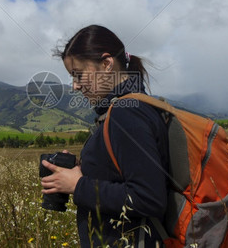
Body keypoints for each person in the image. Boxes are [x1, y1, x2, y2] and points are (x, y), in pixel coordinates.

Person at [41, 24, 169, 247]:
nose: (75, 86)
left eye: (78, 75)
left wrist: (78, 185)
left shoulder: (126, 112)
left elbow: (149, 198)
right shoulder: (124, 107)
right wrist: (83, 171)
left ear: (107, 64)